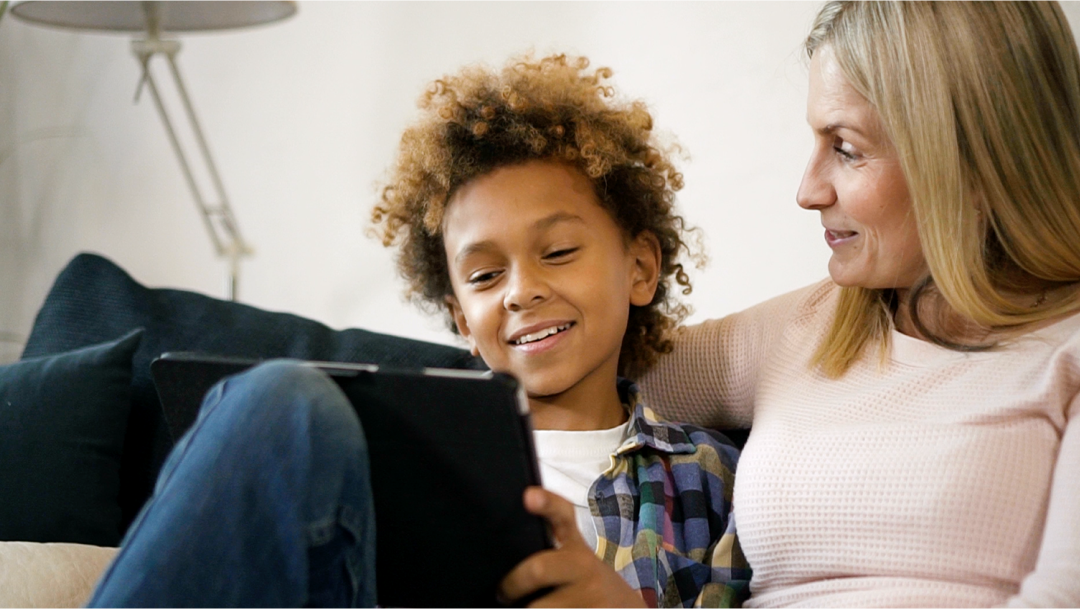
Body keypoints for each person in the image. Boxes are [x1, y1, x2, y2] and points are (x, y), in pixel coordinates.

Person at [85, 53, 751, 609]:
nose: (521, 290)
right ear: (463, 320)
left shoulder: (712, 476)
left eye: (557, 252)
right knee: (278, 400)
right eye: (485, 276)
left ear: (640, 268)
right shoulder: (381, 448)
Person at [637, 0, 1080, 607]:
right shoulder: (803, 329)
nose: (808, 191)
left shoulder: (1067, 354)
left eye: (845, 148)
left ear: (975, 160)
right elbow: (586, 371)